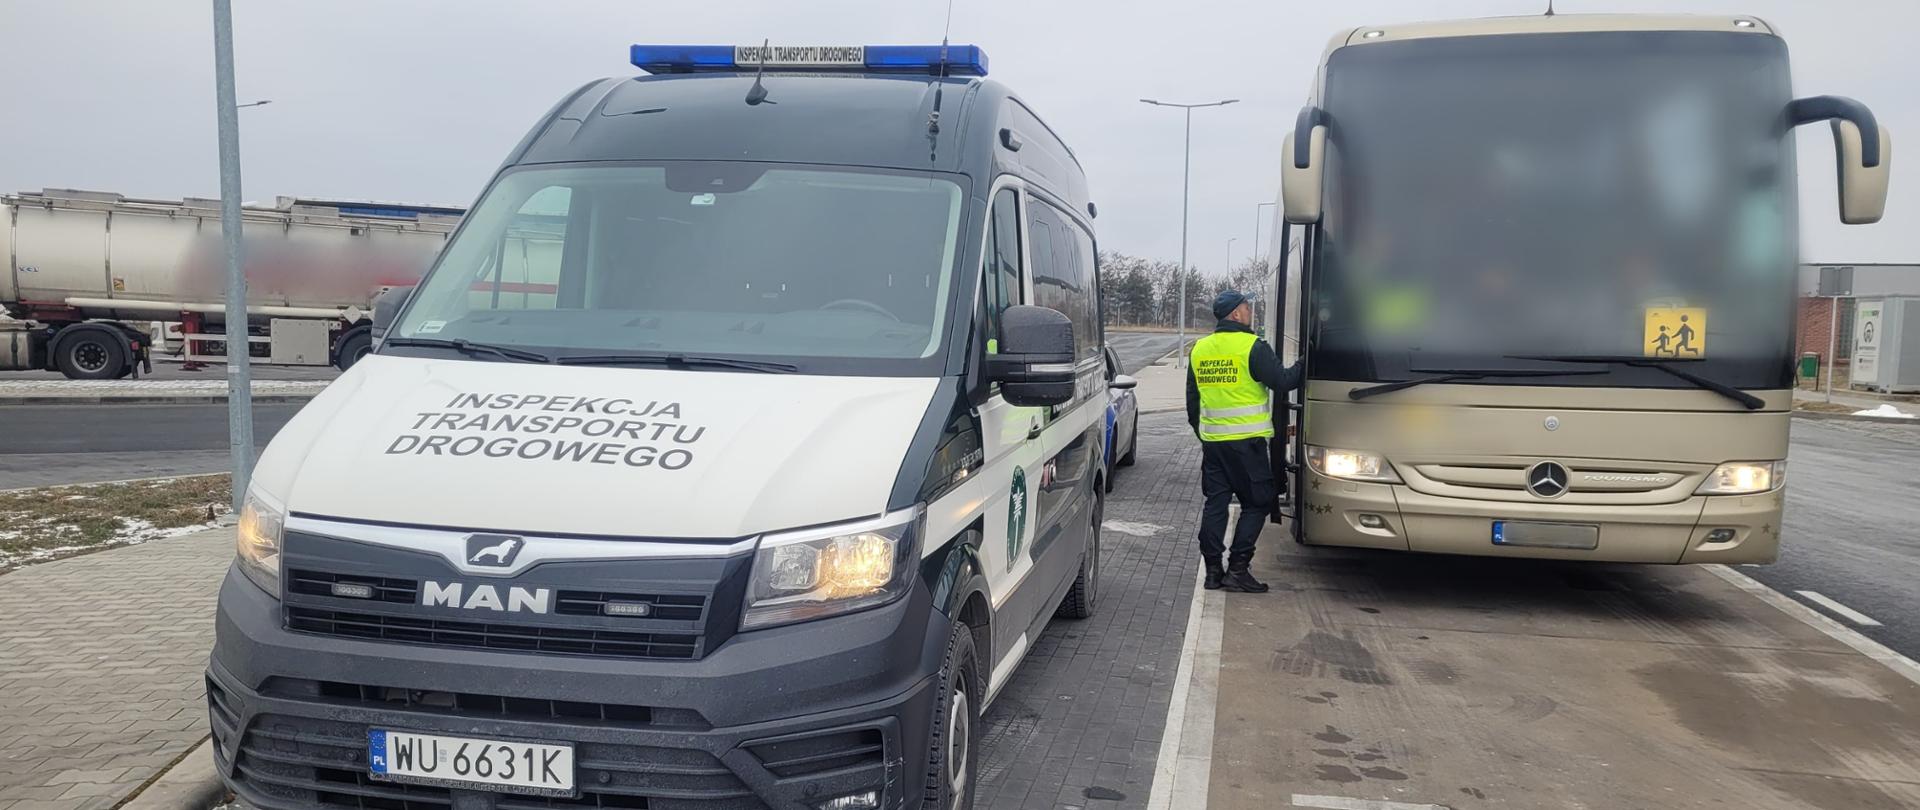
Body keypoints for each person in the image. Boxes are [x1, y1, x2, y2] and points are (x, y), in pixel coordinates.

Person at [1186, 290, 1303, 593]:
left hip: (1214, 444)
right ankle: (1238, 568)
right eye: (1247, 307)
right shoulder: (1252, 347)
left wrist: (1206, 434)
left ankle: (1213, 572)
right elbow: (1284, 382)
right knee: (1258, 502)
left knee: (1216, 503)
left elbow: (1192, 401)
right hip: (1247, 444)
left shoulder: (1200, 349)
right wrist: (1307, 361)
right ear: (1236, 314)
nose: (1250, 310)